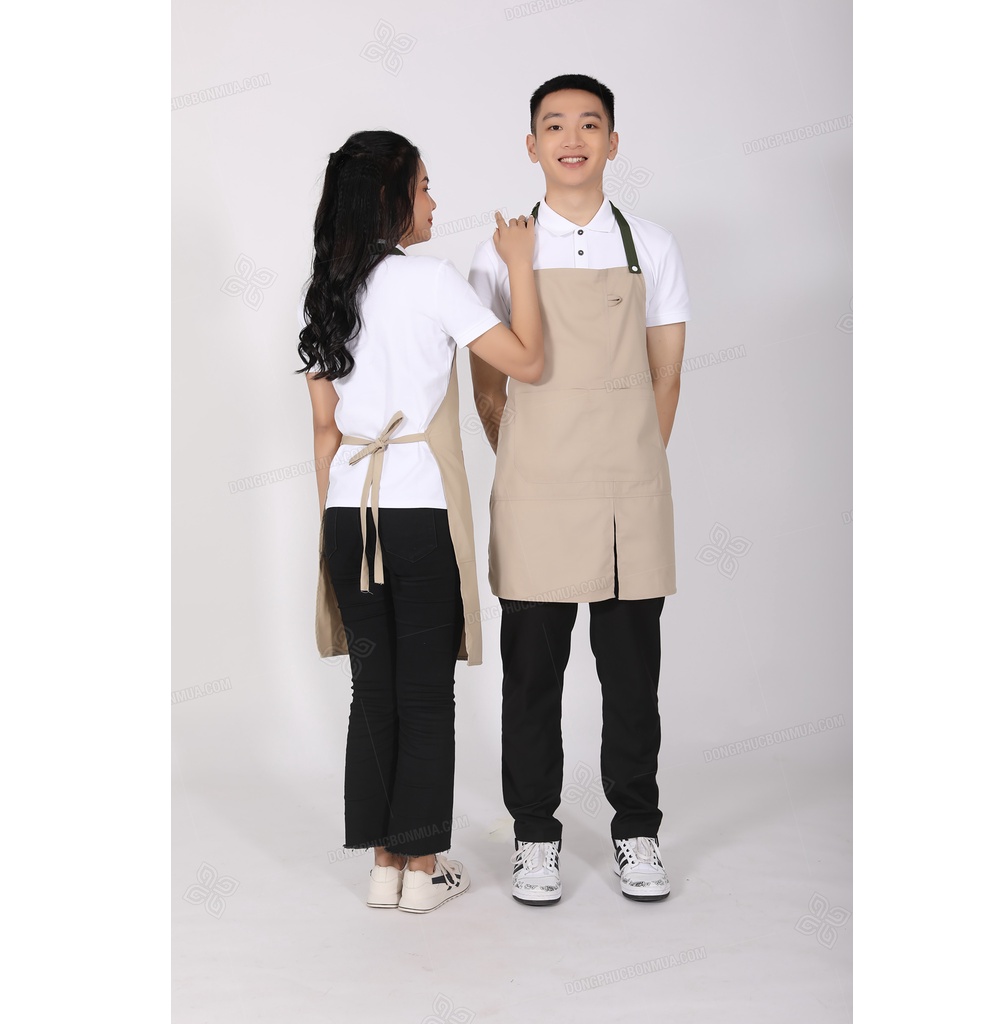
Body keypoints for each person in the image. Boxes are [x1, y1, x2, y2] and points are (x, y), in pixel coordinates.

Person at [297, 130, 542, 914]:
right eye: (426, 185)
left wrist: (335, 520)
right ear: (392, 197)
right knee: (426, 694)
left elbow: (325, 431)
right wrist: (520, 264)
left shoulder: (327, 290)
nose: (435, 200)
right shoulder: (431, 281)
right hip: (416, 515)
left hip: (348, 516)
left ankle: (382, 868)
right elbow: (529, 361)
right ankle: (423, 871)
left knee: (373, 692)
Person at [468, 75, 690, 905]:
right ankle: (534, 838)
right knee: (532, 679)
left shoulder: (652, 246)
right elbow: (488, 385)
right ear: (531, 145)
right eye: (555, 125)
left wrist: (629, 461)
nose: (573, 138)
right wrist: (527, 459)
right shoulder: (500, 253)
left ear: (613, 142)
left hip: (629, 489)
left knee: (632, 677)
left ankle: (637, 831)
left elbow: (666, 376)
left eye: (590, 124)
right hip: (536, 492)